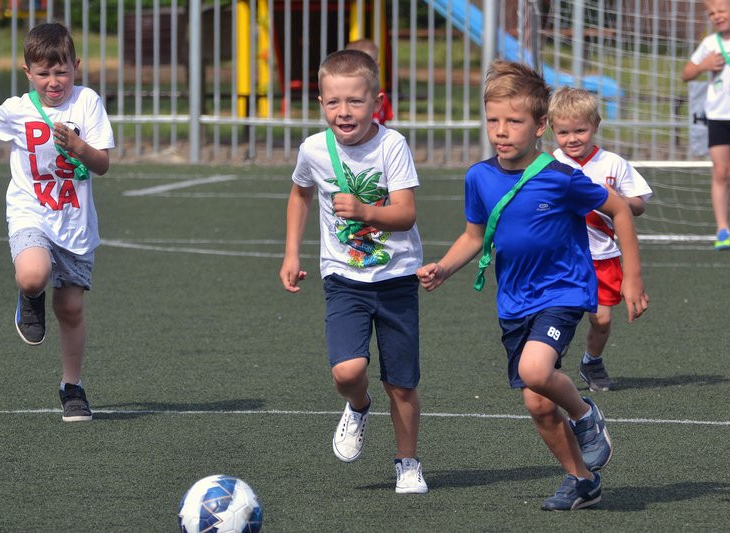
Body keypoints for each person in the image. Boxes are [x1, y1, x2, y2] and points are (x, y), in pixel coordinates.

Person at [416, 61, 649, 510]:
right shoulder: (479, 177)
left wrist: (633, 278)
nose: (501, 131)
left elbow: (620, 210)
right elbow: (473, 235)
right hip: (514, 301)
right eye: (493, 120)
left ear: (540, 126)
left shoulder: (561, 177)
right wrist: (444, 268)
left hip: (561, 292)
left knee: (536, 372)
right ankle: (581, 480)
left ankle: (586, 415)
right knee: (538, 403)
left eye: (514, 121)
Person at [0, 22, 114, 422]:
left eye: (62, 71)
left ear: (77, 66)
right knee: (34, 274)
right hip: (31, 210)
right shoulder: (18, 108)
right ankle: (29, 296)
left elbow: (102, 164)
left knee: (70, 308)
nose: (54, 82)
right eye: (43, 73)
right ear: (27, 72)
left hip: (74, 222)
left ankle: (72, 387)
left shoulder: (87, 103)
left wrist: (79, 147)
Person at [280, 49, 427, 494]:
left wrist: (365, 211)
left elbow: (405, 214)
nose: (344, 112)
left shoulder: (391, 145)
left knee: (401, 383)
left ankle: (407, 463)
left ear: (377, 102)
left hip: (397, 278)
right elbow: (300, 194)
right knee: (347, 371)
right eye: (333, 102)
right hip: (343, 278)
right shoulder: (313, 149)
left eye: (355, 102)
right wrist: (291, 253)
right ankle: (358, 406)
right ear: (321, 102)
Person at [548, 87, 653, 392]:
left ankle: (591, 361)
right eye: (564, 132)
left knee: (602, 320)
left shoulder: (612, 164)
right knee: (556, 313)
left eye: (580, 130)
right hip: (562, 257)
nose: (572, 138)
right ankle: (546, 355)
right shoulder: (548, 164)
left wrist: (616, 201)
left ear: (595, 125)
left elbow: (639, 204)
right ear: (552, 129)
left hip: (603, 257)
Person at [682, 0, 730, 250]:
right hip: (719, 117)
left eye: (721, 11)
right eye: (712, 13)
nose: (716, 16)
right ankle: (723, 229)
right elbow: (686, 73)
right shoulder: (710, 44)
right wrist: (704, 65)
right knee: (721, 172)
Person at [345, 39, 394, 125]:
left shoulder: (381, 94)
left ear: (377, 66)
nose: (362, 71)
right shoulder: (344, 94)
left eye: (368, 65)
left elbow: (384, 121)